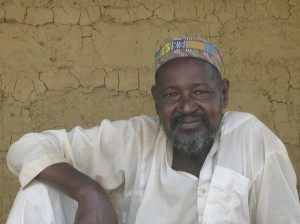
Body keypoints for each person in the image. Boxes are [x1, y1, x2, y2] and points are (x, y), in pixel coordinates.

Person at [6, 36, 300, 224]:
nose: (186, 107)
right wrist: (89, 191)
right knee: (40, 190)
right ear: (155, 99)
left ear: (223, 94)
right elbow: (28, 147)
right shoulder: (137, 139)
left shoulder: (253, 139)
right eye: (172, 95)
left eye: (199, 92)